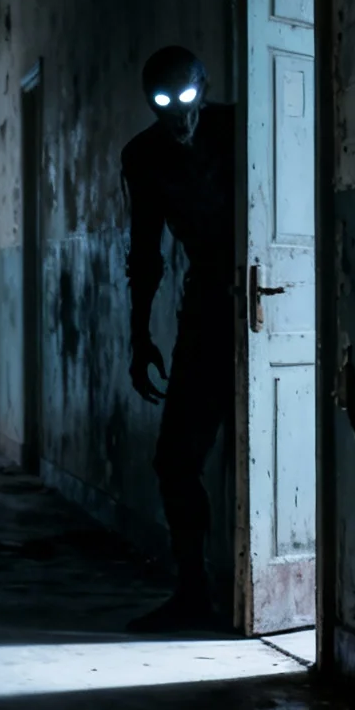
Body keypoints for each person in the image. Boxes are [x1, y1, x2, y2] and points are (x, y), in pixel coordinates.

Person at [119, 45, 235, 633]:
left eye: (186, 96)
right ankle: (195, 590)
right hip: (208, 307)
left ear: (204, 88)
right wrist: (139, 335)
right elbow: (145, 251)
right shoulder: (143, 156)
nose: (177, 111)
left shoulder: (242, 129)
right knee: (176, 458)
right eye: (163, 101)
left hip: (272, 300)